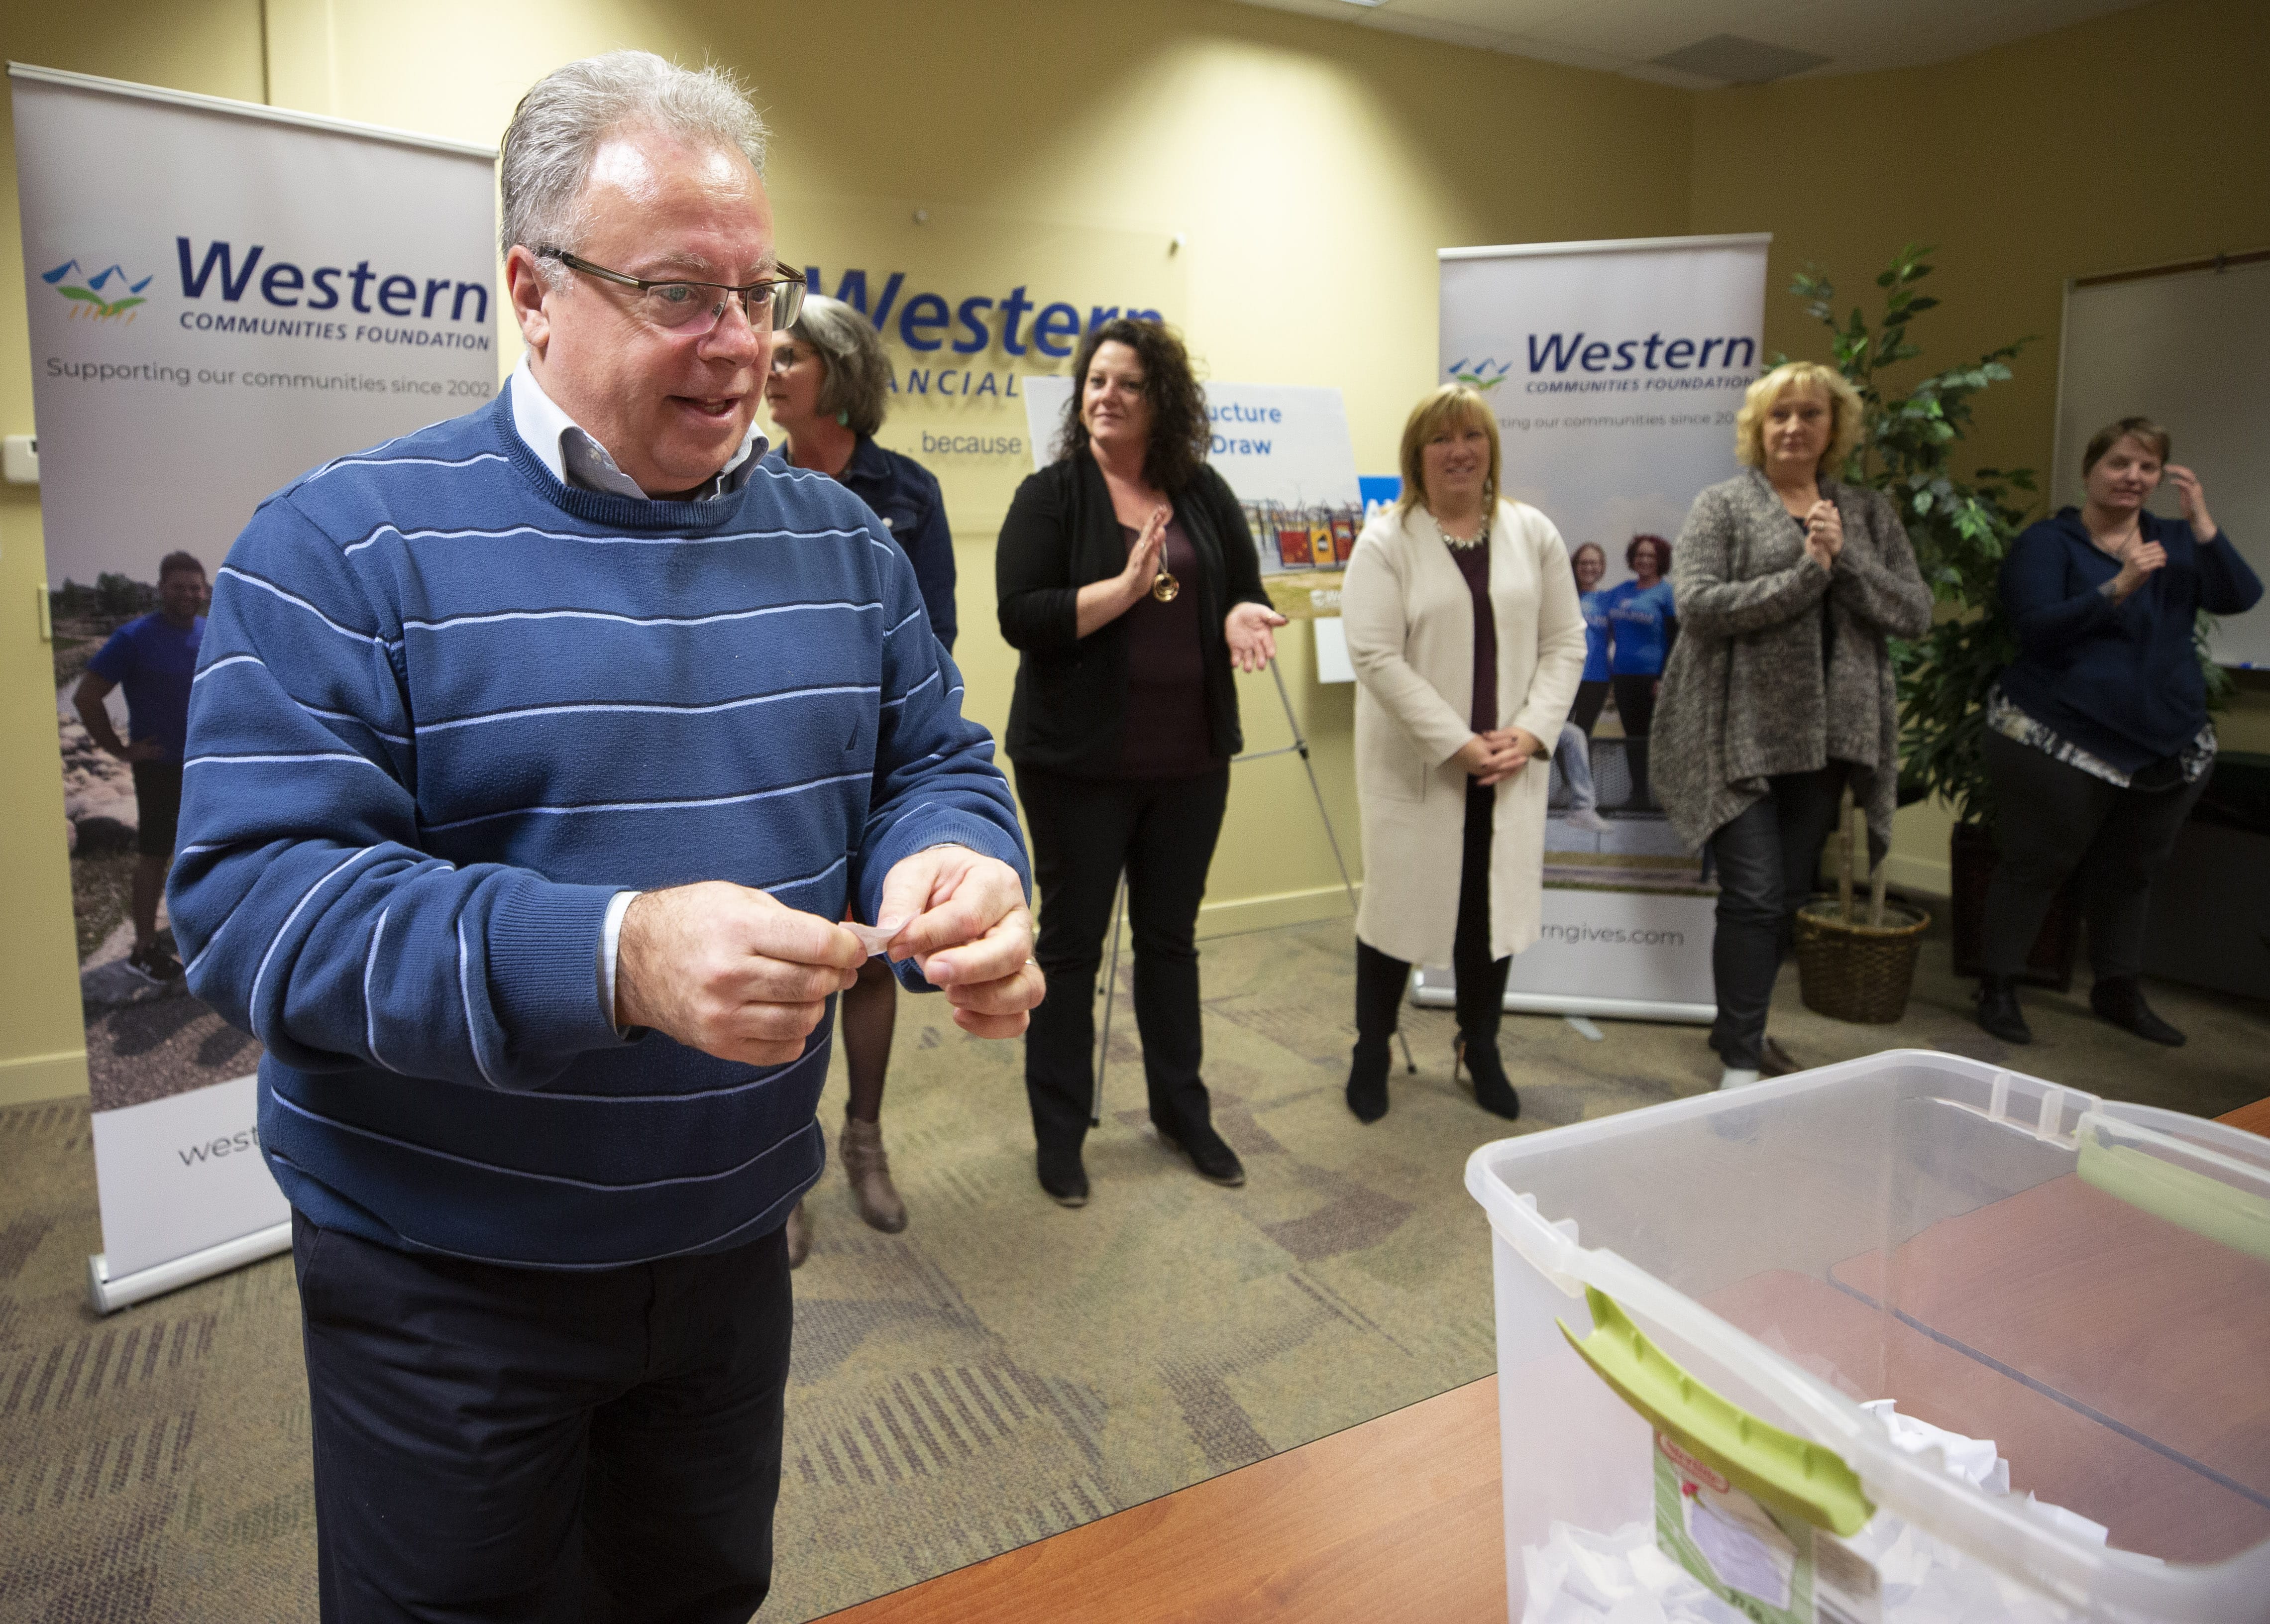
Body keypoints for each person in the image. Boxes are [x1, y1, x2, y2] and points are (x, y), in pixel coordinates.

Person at [171, 53, 1042, 1624]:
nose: (737, 347)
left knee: (696, 1593)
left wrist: (960, 855)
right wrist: (613, 955)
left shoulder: (844, 546)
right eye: (675, 294)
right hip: (443, 1274)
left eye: (757, 292)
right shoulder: (337, 546)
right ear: (532, 289)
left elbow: (932, 758)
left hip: (731, 1248)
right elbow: (250, 908)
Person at [995, 317, 1286, 1206]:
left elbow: (1243, 588)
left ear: (1163, 400)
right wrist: (1121, 592)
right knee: (1073, 948)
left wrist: (1243, 614)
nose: (1105, 396)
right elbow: (1023, 616)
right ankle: (1060, 1129)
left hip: (1190, 761)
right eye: (1094, 381)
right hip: (1079, 765)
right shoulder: (1051, 496)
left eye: (1126, 382)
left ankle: (1181, 1112)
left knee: (1169, 942)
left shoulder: (1201, 492)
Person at [1654, 361, 1932, 1089]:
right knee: (1750, 892)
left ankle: (1735, 1024)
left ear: (1832, 427)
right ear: (1757, 426)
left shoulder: (1866, 513)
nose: (1793, 426)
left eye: (1810, 413)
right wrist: (1807, 573)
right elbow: (1698, 605)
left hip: (1826, 738)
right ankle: (1742, 1058)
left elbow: (1914, 611)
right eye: (1778, 414)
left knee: (1778, 897)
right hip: (1731, 732)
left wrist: (1844, 561)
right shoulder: (1722, 505)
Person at [763, 292, 958, 1263]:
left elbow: (936, 646)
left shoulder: (910, 491)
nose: (767, 362)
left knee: (871, 955)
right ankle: (786, 1166)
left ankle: (864, 1139)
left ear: (836, 371)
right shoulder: (744, 484)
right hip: (780, 769)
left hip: (874, 766)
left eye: (789, 351)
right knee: (795, 959)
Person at [1340, 386, 1587, 1123]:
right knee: (1394, 917)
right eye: (1441, 438)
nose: (1459, 450)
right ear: (1418, 455)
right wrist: (1457, 743)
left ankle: (1479, 1045)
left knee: (1491, 915)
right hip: (1420, 770)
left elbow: (1564, 641)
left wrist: (1534, 731)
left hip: (1508, 769)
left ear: (1491, 449)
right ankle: (1370, 1047)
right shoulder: (1386, 541)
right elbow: (1374, 654)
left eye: (1472, 435)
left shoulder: (1532, 532)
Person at [1974, 418, 2260, 1047]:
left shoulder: (2176, 539)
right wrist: (2117, 586)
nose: (2133, 477)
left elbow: (2240, 597)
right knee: (2038, 863)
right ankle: (1997, 985)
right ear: (2089, 471)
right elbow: (2035, 628)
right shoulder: (2050, 542)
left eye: (2148, 467)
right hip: (2056, 737)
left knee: (2132, 872)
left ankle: (2116, 988)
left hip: (2167, 742)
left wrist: (2205, 526)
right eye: (2120, 464)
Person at [72, 550, 208, 983]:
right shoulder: (134, 638)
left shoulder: (211, 631)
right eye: (179, 586)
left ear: (204, 591)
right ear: (162, 588)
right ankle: (144, 949)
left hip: (206, 767)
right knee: (153, 855)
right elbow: (87, 697)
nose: (188, 594)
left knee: (205, 853)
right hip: (160, 768)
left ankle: (197, 932)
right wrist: (120, 750)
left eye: (195, 587)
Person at [1602, 534, 1676, 809]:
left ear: (1661, 561)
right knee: (1632, 737)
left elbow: (1675, 639)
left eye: (1651, 556)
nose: (1644, 560)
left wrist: (1664, 677)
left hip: (1653, 679)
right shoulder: (1620, 591)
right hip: (1623, 677)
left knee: (1655, 739)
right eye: (1640, 555)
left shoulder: (1667, 594)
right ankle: (1639, 795)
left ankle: (1666, 798)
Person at [1552, 541, 1613, 834]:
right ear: (1575, 567)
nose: (1589, 568)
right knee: (1561, 732)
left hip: (1598, 678)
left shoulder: (1608, 601)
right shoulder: (1563, 597)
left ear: (1602, 568)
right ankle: (1567, 787)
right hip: (1567, 676)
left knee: (1583, 735)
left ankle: (1577, 796)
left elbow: (1615, 636)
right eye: (1584, 563)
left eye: (1595, 563)